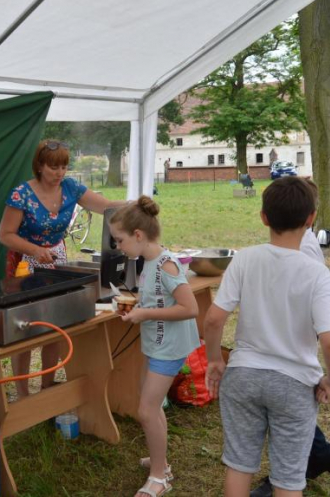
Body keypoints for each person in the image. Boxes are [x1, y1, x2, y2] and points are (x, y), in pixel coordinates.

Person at [203, 177, 330, 497]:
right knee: (289, 477)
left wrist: (214, 359)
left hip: (242, 376)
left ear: (263, 217)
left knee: (239, 464)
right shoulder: (317, 273)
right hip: (295, 384)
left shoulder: (244, 259)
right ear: (311, 218)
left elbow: (213, 319)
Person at [0, 139, 128, 397]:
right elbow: (5, 235)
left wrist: (134, 203)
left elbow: (105, 206)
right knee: (26, 328)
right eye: (53, 167)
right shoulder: (21, 194)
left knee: (57, 322)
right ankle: (23, 392)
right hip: (25, 262)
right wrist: (34, 250)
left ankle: (47, 383)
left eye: (64, 167)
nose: (59, 173)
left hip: (57, 259)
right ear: (39, 165)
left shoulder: (70, 187)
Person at [250, 179, 330, 497]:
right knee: (283, 404)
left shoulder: (303, 244)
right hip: (280, 341)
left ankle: (299, 469)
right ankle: (318, 456)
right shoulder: (298, 239)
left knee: (282, 408)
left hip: (290, 343)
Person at [107, 195, 200, 497]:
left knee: (146, 410)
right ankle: (160, 462)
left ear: (138, 235)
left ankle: (159, 477)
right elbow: (159, 299)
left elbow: (190, 308)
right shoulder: (148, 262)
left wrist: (145, 313)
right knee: (152, 407)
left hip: (168, 348)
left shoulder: (167, 265)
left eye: (119, 240)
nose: (117, 247)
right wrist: (136, 307)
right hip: (157, 343)